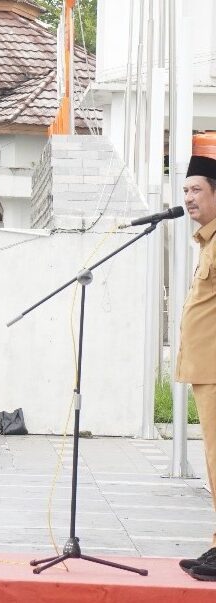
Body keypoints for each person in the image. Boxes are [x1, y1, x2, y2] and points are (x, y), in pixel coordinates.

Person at [176, 154, 216, 580]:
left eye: (197, 190)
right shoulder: (207, 242)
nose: (188, 198)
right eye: (185, 191)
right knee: (212, 461)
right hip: (206, 370)